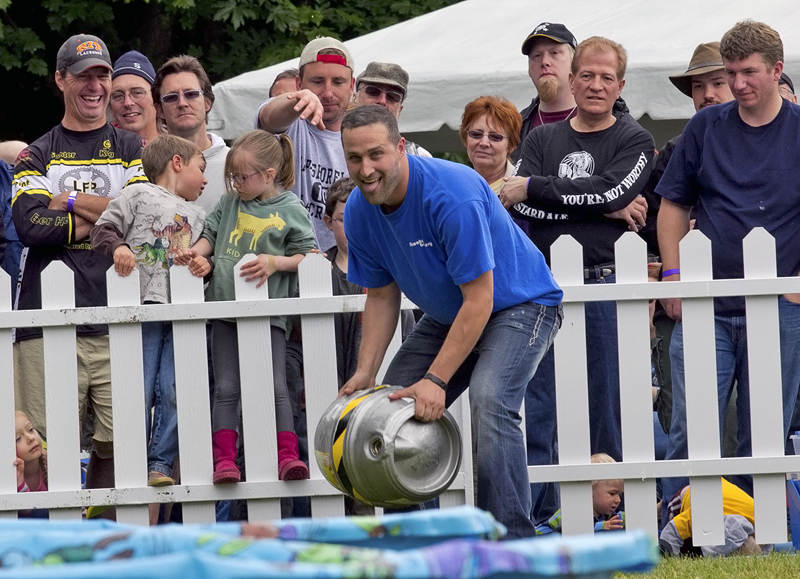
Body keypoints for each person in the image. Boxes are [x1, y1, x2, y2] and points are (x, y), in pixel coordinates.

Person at [338, 104, 563, 537]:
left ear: (400, 148)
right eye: (355, 158)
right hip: (453, 313)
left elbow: (480, 299)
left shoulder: (452, 193)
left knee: (490, 400)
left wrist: (436, 380)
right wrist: (366, 371)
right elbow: (382, 295)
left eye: (376, 154)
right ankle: (421, 544)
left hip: (521, 304)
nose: (366, 170)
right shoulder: (359, 210)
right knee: (390, 407)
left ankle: (511, 543)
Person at [503, 37, 654, 526]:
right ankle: (542, 516)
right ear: (572, 80)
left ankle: (613, 518)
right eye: (587, 75)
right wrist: (600, 206)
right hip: (544, 289)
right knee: (541, 403)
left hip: (607, 286)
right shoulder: (540, 140)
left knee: (608, 402)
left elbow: (610, 190)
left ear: (620, 86)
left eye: (607, 77)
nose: (595, 85)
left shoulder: (635, 140)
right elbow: (519, 204)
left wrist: (540, 188)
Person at [657, 20, 800, 504]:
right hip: (707, 302)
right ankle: (680, 530)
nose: (737, 84)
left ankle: (758, 530)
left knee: (764, 434)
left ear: (777, 70)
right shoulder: (703, 127)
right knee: (690, 431)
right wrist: (673, 275)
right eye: (731, 73)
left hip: (779, 305)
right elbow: (673, 205)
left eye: (748, 72)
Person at [11, 34, 146, 496]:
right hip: (47, 323)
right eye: (84, 76)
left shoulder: (132, 146)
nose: (95, 86)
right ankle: (53, 534)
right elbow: (30, 225)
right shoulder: (35, 153)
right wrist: (109, 218)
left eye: (102, 76)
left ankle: (101, 530)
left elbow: (141, 217)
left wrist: (66, 199)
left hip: (118, 317)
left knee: (121, 445)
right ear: (60, 79)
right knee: (46, 448)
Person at [175, 130, 316, 484]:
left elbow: (310, 255)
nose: (236, 183)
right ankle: (225, 460)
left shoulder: (291, 208)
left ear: (269, 174)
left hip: (270, 314)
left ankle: (286, 455)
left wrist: (275, 263)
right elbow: (210, 235)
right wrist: (195, 253)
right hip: (224, 310)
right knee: (226, 387)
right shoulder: (229, 203)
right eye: (232, 177)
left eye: (242, 177)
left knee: (276, 385)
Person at [90, 134, 209, 488]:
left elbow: (203, 259)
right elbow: (102, 229)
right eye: (201, 169)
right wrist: (119, 247)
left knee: (174, 388)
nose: (205, 180)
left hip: (182, 312)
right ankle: (132, 460)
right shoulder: (136, 194)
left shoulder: (199, 215)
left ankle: (160, 462)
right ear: (177, 163)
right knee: (138, 388)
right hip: (142, 307)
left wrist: (205, 265)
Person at [649, 41, 735, 443]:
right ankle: (689, 488)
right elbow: (649, 221)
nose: (707, 94)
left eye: (716, 82)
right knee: (685, 417)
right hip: (686, 300)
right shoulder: (675, 149)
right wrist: (669, 271)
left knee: (760, 418)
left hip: (759, 296)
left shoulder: (769, 140)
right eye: (698, 87)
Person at [256, 37, 354, 251]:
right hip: (283, 264)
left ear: (352, 85)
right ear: (299, 84)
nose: (327, 93)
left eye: (338, 82)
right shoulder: (291, 123)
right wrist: (298, 101)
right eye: (317, 81)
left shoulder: (358, 139)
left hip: (342, 266)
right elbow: (267, 117)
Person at [153, 55, 229, 215]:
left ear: (207, 102)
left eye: (191, 94)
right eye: (171, 98)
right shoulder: (148, 168)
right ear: (159, 110)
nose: (182, 103)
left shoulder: (236, 164)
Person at [659, 478, 761, 556]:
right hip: (687, 497)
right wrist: (667, 553)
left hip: (721, 492)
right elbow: (672, 531)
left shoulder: (759, 523)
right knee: (682, 547)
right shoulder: (703, 513)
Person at [352, 61, 431, 157]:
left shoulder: (419, 156)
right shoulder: (334, 148)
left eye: (393, 96)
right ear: (355, 98)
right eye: (373, 91)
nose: (382, 101)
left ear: (399, 110)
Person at [535, 453, 625, 534]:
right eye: (612, 493)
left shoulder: (606, 514)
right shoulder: (572, 511)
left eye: (620, 494)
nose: (618, 500)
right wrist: (601, 526)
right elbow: (577, 528)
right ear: (589, 490)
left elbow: (621, 517)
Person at [459, 96, 522, 194]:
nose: (484, 143)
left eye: (495, 137)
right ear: (465, 139)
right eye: (476, 134)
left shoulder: (523, 192)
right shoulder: (455, 187)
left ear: (511, 145)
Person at [110, 50, 160, 143]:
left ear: (156, 99)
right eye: (118, 96)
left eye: (137, 93)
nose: (127, 103)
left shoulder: (178, 148)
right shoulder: (99, 149)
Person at [15, 411, 47, 493]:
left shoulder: (49, 463)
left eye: (30, 429)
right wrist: (20, 485)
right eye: (18, 439)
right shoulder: (8, 480)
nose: (30, 438)